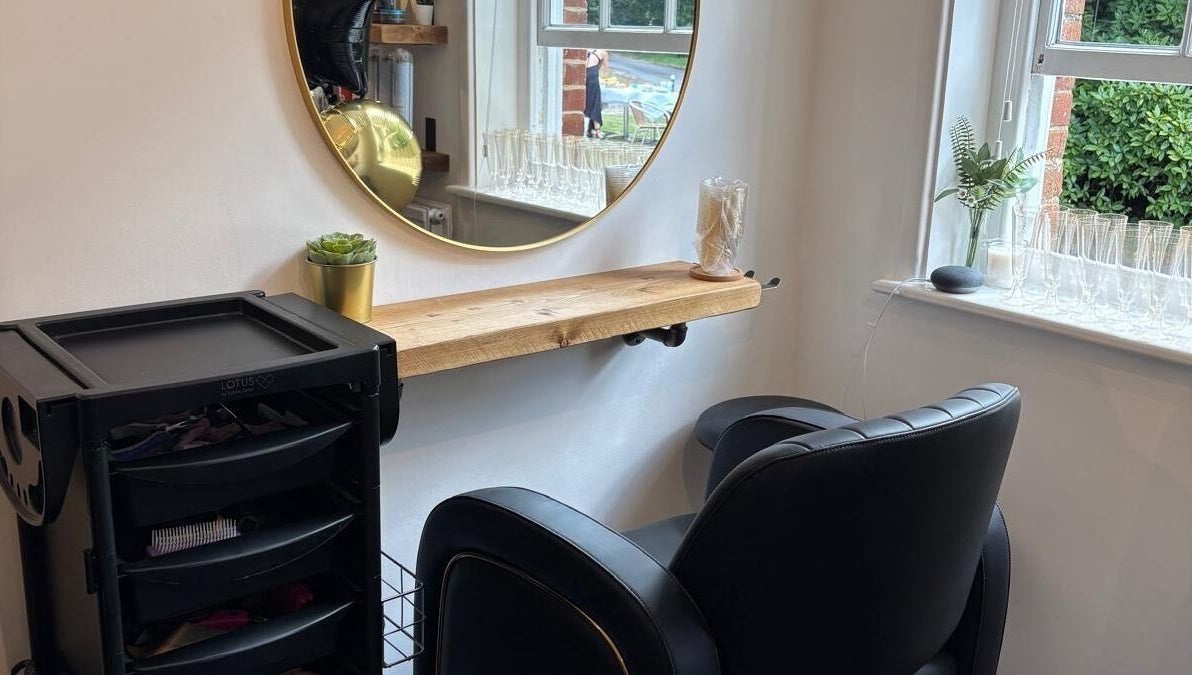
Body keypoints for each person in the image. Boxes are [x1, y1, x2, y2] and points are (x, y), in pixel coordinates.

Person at [584, 49, 609, 139]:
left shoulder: (588, 51)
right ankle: (597, 130)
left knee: (588, 101)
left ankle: (591, 129)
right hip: (593, 75)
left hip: (585, 74)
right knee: (596, 102)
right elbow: (605, 69)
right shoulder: (603, 52)